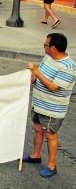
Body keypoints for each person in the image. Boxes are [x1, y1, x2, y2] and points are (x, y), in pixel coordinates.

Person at [23, 33, 76, 178]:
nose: (44, 47)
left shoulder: (68, 67)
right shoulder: (48, 58)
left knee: (50, 135)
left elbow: (53, 87)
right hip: (39, 104)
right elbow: (41, 75)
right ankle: (35, 155)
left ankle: (52, 166)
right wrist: (32, 78)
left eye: (45, 45)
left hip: (52, 109)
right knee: (38, 129)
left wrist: (36, 72)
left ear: (53, 48)